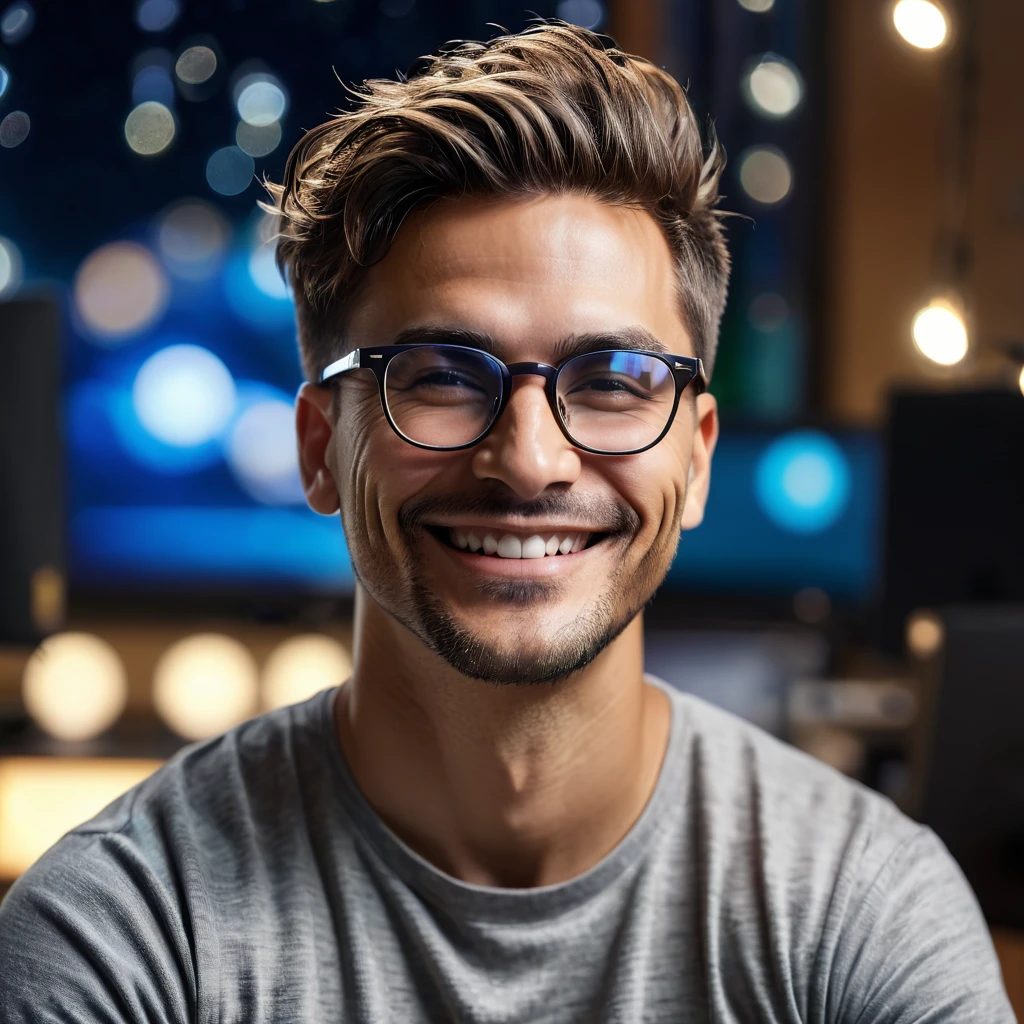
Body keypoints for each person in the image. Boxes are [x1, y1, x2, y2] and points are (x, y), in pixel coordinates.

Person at [0, 20, 1014, 1024]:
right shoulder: (124, 935)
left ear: (696, 455)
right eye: (440, 376)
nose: (529, 459)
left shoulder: (861, 913)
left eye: (613, 381)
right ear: (319, 445)